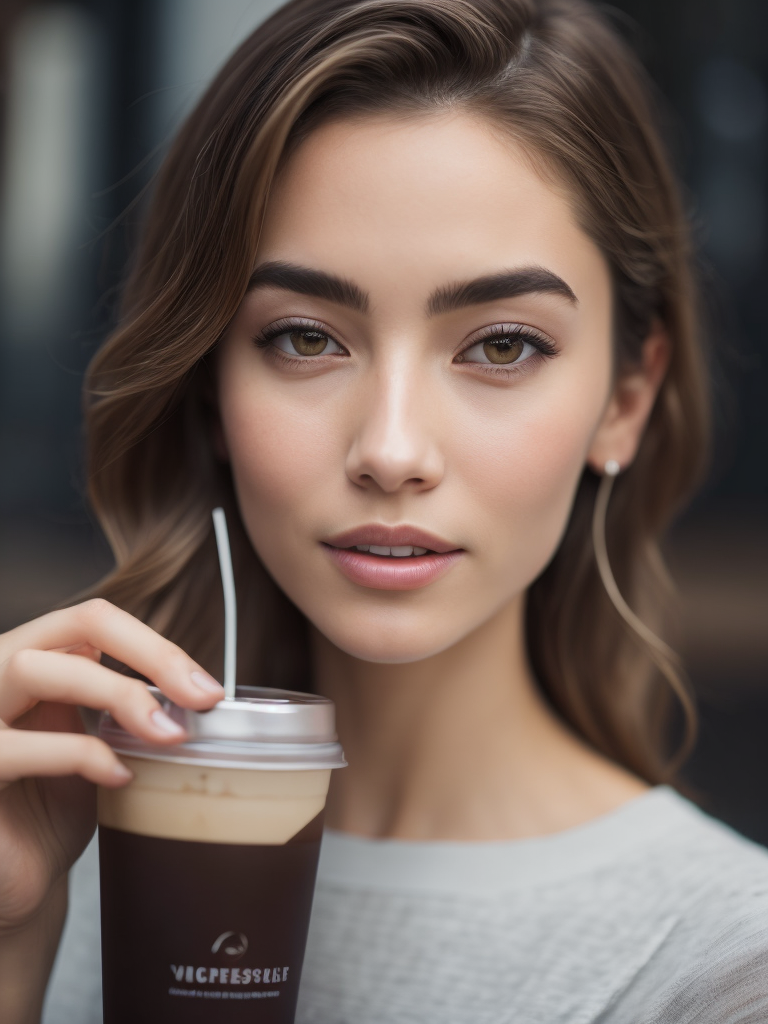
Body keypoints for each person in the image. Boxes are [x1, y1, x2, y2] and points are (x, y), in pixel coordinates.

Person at [2, 0, 768, 1021]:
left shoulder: (723, 964)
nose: (392, 450)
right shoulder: (49, 866)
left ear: (625, 400)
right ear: (209, 387)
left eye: (501, 345)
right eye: (307, 338)